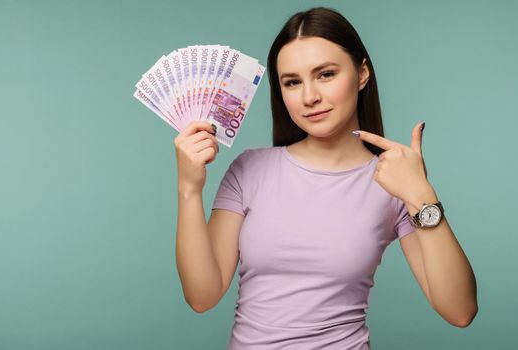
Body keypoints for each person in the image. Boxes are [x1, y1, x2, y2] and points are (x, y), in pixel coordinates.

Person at [174, 6, 478, 349]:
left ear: (362, 74)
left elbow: (460, 311)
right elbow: (202, 297)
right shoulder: (249, 169)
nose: (309, 97)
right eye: (292, 82)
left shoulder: (391, 180)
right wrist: (189, 189)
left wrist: (422, 197)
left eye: (326, 74)